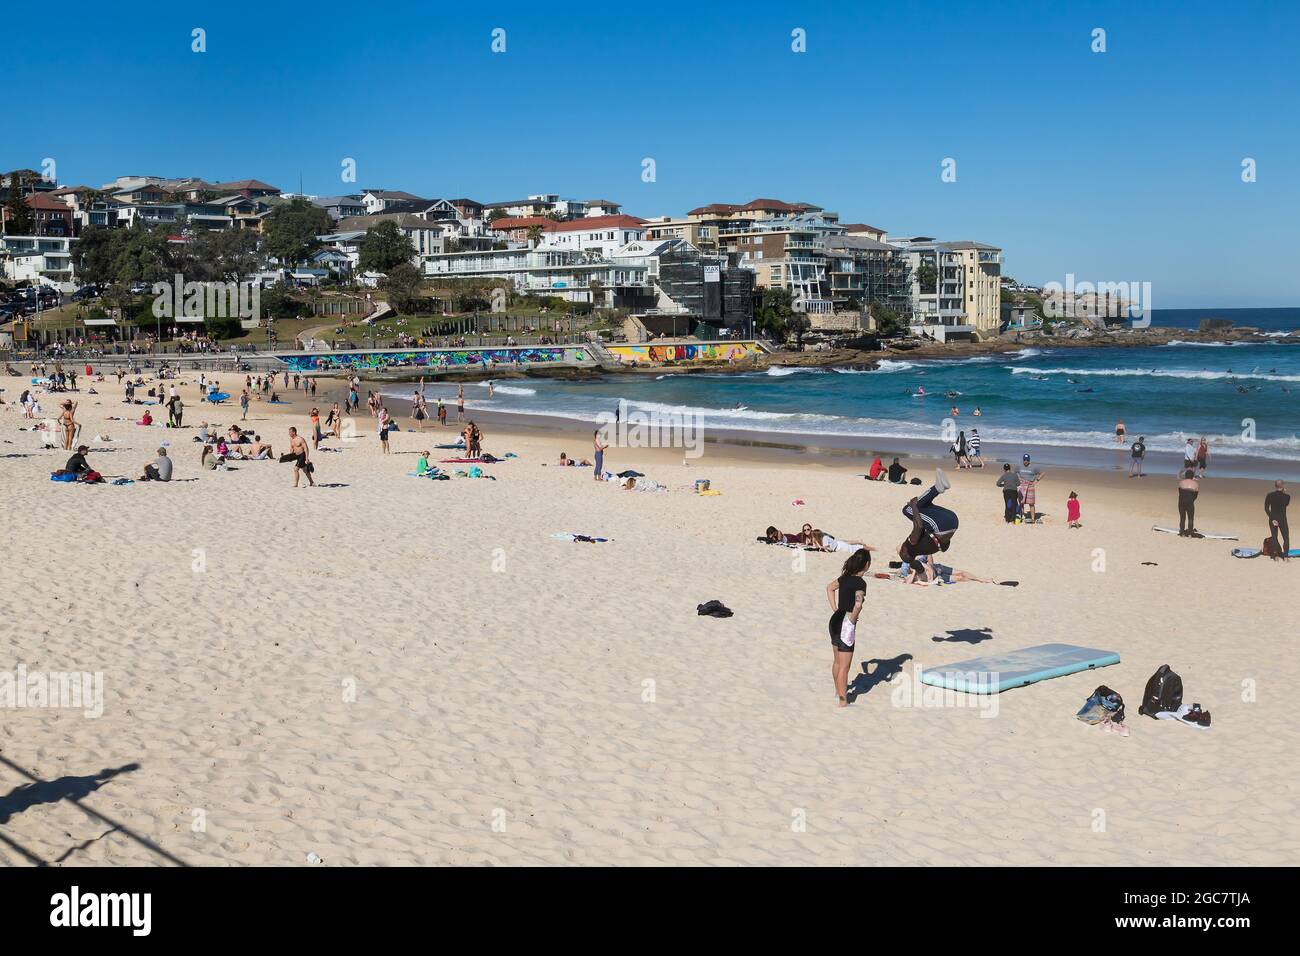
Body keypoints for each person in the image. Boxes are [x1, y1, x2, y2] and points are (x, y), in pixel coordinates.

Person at [826, 548, 870, 707]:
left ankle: (838, 692)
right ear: (867, 565)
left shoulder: (844, 578)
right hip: (846, 623)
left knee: (837, 661)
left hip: (835, 619)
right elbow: (858, 603)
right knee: (845, 666)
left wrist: (835, 609)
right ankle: (843, 702)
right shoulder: (861, 583)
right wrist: (852, 618)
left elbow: (829, 588)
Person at [898, 470, 958, 577]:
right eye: (901, 550)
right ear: (905, 550)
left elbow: (945, 546)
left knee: (923, 507)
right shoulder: (911, 544)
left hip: (953, 522)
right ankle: (937, 488)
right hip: (942, 524)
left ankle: (937, 488)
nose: (901, 547)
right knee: (907, 509)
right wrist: (913, 506)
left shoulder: (927, 549)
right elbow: (919, 526)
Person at [1265, 479, 1290, 560]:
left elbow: (1266, 508)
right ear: (1282, 486)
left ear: (1275, 486)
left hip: (1273, 519)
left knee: (1274, 537)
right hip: (1282, 519)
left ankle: (1275, 556)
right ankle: (1285, 556)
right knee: (1286, 538)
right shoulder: (1287, 497)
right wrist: (1284, 493)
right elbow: (1285, 504)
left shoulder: (1269, 495)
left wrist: (1272, 519)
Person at [1016, 454, 1044, 524]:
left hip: (1030, 486)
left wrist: (1036, 481)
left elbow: (1042, 473)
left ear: (1029, 460)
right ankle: (1021, 517)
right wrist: (1018, 479)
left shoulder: (1034, 467)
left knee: (1031, 503)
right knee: (1021, 503)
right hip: (1022, 485)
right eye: (1024, 460)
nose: (1025, 461)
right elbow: (1014, 473)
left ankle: (1033, 519)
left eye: (1027, 460)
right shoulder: (1019, 466)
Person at [1177, 469, 1200, 536]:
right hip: (1190, 501)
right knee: (1190, 518)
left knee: (1182, 517)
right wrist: (1191, 501)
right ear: (1192, 476)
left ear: (1185, 476)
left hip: (1181, 501)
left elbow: (1180, 493)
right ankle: (1190, 533)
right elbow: (1195, 496)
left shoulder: (1181, 482)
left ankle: (1182, 532)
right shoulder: (1196, 484)